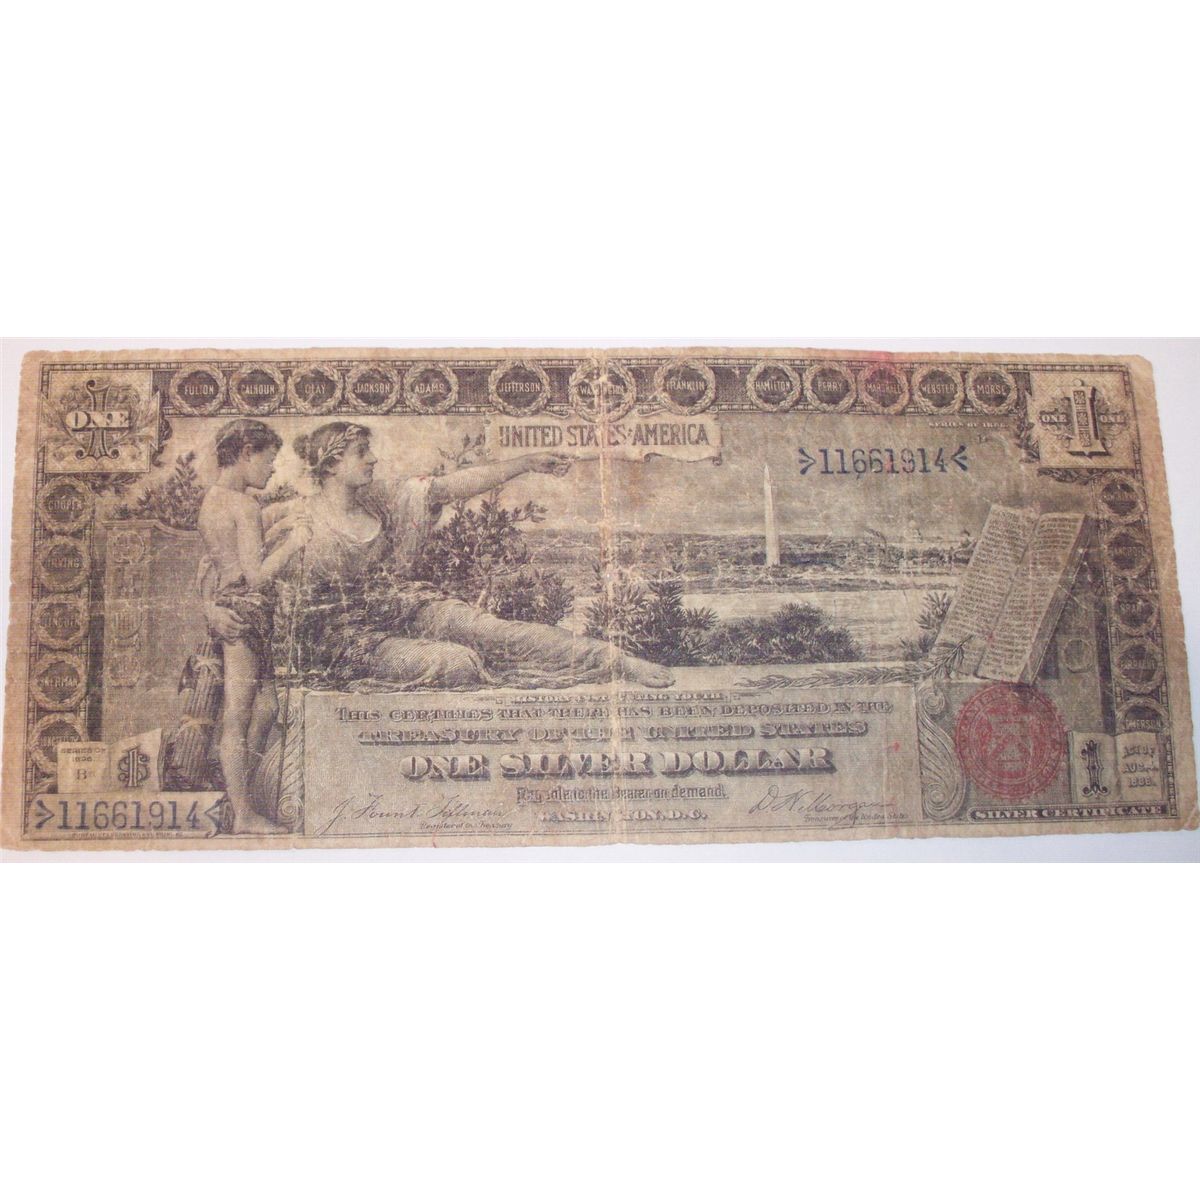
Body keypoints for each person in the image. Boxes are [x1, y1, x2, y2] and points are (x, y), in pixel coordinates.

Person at [237, 421, 673, 692]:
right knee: (456, 662)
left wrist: (525, 462)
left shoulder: (380, 498)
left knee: (493, 631)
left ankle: (613, 660)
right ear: (332, 464)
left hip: (399, 605)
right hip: (341, 639)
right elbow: (235, 574)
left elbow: (452, 486)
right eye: (361, 453)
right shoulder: (290, 516)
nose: (373, 459)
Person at [196, 419, 311, 832]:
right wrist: (293, 544)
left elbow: (221, 561)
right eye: (268, 458)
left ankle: (243, 795)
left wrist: (278, 528)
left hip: (239, 611)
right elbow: (257, 575)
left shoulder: (214, 500)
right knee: (239, 717)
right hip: (246, 614)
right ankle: (243, 813)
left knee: (266, 708)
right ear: (246, 453)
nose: (273, 468)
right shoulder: (245, 505)